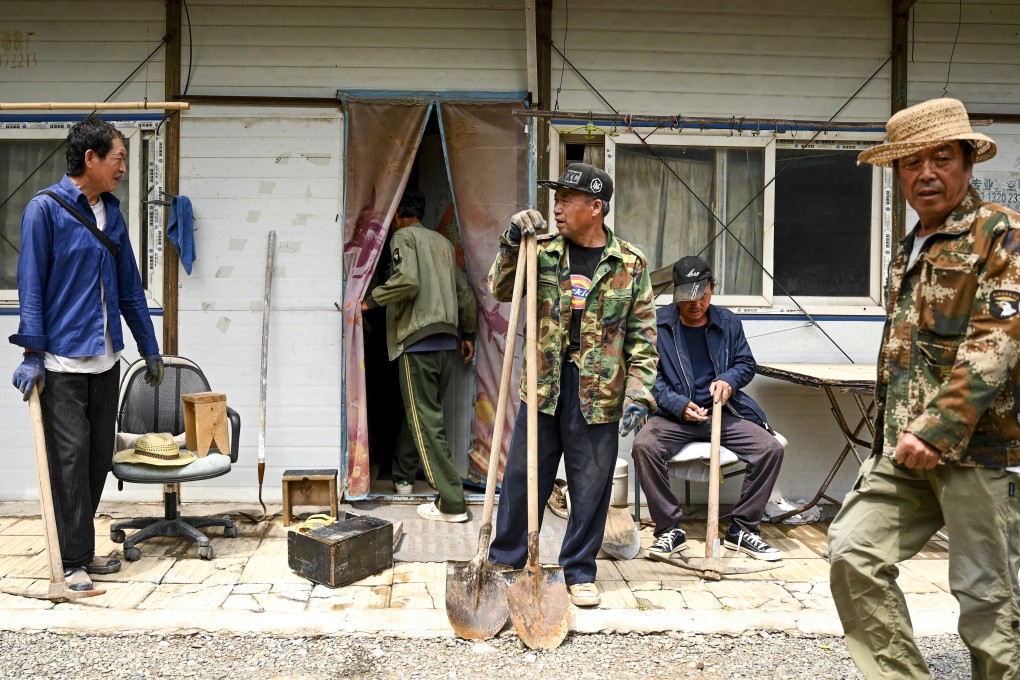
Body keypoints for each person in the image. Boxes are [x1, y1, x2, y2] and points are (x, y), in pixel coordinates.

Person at [828, 98, 1020, 679]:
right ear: (897, 173)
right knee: (853, 554)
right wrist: (901, 433)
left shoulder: (999, 233)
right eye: (912, 162)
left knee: (988, 601)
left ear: (966, 162)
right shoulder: (914, 245)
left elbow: (999, 341)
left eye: (941, 157)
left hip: (977, 452)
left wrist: (937, 429)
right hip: (904, 450)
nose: (926, 173)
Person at [487, 162, 658, 607]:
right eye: (555, 199)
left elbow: (643, 337)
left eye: (567, 200)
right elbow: (500, 289)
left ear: (596, 207)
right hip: (545, 386)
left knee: (591, 486)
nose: (557, 208)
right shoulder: (538, 250)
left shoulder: (630, 263)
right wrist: (510, 243)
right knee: (524, 477)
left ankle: (579, 570)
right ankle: (508, 560)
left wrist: (640, 392)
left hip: (600, 392)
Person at [9, 117, 164, 592]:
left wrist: (149, 347)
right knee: (70, 461)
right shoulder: (45, 210)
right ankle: (70, 560)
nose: (123, 166)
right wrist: (32, 351)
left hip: (105, 360)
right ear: (90, 159)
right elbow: (30, 285)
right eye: (117, 157)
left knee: (98, 458)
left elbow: (129, 288)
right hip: (61, 362)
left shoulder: (111, 215)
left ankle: (81, 551)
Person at [631, 256, 784, 561]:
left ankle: (742, 528)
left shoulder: (727, 322)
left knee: (770, 448)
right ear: (675, 293)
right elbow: (645, 375)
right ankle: (669, 529)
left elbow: (745, 364)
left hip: (721, 414)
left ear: (712, 289)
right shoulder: (657, 325)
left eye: (703, 295)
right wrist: (678, 404)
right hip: (674, 417)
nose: (696, 303)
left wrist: (728, 381)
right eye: (688, 297)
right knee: (643, 445)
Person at [362, 189, 477, 522]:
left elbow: (407, 281)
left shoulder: (402, 238)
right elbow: (464, 292)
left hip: (418, 341)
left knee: (426, 422)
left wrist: (371, 300)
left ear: (398, 215)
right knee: (422, 415)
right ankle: (402, 476)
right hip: (445, 343)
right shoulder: (441, 243)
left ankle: (452, 501)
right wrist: (467, 333)